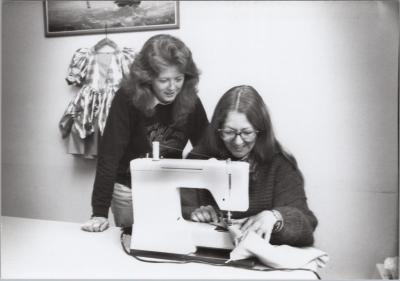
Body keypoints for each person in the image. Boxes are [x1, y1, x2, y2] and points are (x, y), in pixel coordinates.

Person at [81, 34, 209, 232]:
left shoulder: (190, 100)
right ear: (147, 79)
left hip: (170, 188)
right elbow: (109, 156)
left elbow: (207, 149)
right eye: (164, 80)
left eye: (178, 78)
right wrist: (99, 212)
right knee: (131, 244)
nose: (173, 87)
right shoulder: (126, 99)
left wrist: (204, 200)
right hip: (128, 189)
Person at [188, 85, 317, 247]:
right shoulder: (198, 160)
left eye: (247, 133)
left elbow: (306, 227)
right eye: (228, 132)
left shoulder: (279, 165)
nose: (238, 141)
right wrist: (196, 214)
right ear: (217, 129)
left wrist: (275, 217)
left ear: (260, 130)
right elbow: (180, 213)